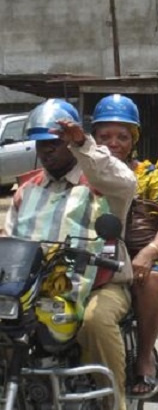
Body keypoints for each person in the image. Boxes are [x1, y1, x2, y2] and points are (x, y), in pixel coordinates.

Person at [4, 99, 136, 410]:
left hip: (102, 284)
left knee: (95, 321)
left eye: (54, 142)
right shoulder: (27, 189)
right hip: (34, 290)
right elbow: (10, 239)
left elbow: (125, 180)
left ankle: (111, 404)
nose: (47, 150)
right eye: (41, 144)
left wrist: (81, 143)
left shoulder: (104, 184)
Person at [90, 94, 158, 395]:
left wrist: (149, 253)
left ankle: (144, 357)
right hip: (90, 258)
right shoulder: (80, 174)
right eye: (104, 136)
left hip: (138, 260)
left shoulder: (151, 176)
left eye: (122, 136)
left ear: (133, 140)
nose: (113, 143)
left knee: (156, 278)